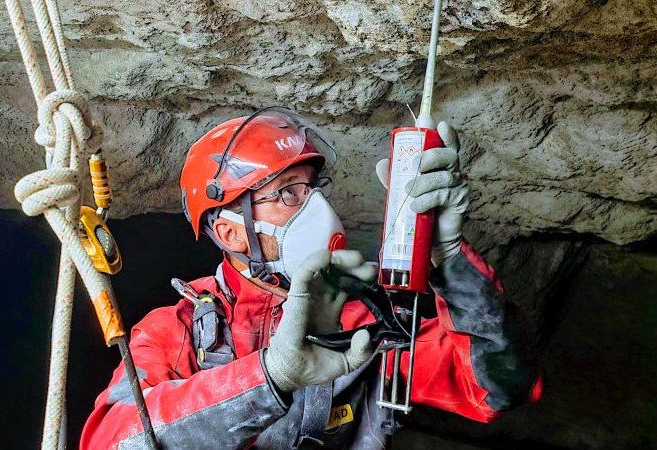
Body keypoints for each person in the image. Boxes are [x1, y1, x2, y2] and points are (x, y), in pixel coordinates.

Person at [81, 107, 542, 449]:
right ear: (231, 232)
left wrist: (449, 259)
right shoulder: (173, 331)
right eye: (287, 193)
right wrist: (271, 378)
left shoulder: (364, 320)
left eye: (311, 188)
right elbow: (114, 441)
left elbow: (498, 387)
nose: (317, 209)